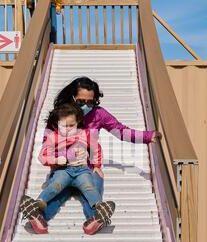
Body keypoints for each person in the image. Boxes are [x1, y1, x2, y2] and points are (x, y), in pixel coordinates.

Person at [38, 77, 163, 224]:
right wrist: (59, 161)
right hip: (63, 168)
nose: (86, 106)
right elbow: (47, 145)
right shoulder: (61, 115)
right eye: (80, 102)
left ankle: (95, 219)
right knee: (58, 191)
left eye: (90, 102)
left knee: (93, 189)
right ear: (72, 97)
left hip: (87, 168)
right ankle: (39, 216)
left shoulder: (98, 114)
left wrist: (148, 136)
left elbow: (121, 131)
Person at [20, 103, 115, 235]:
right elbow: (43, 156)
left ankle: (99, 209)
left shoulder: (83, 134)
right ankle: (38, 205)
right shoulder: (53, 137)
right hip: (64, 170)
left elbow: (96, 148)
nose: (69, 129)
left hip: (82, 170)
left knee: (89, 186)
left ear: (78, 123)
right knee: (56, 185)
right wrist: (56, 160)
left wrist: (97, 165)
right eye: (65, 126)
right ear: (56, 124)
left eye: (72, 125)